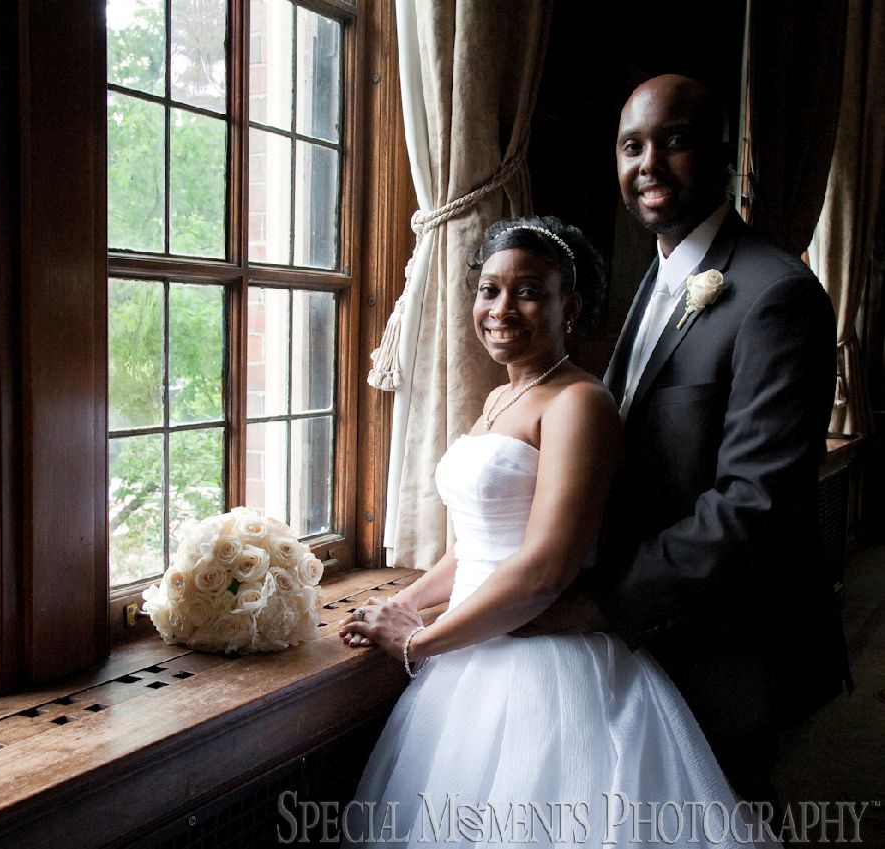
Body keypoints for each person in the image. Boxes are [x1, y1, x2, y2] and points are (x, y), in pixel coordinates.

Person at [339, 216, 773, 848]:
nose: (501, 308)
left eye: (528, 291)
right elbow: (474, 547)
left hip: (540, 657)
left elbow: (546, 566)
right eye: (488, 290)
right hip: (474, 644)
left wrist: (421, 643)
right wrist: (404, 603)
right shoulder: (496, 401)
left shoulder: (579, 403)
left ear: (569, 307)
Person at [594, 74, 852, 808]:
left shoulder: (777, 293)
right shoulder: (654, 279)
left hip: (731, 645)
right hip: (655, 635)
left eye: (673, 142)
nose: (648, 164)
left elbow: (753, 503)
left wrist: (607, 601)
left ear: (721, 152)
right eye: (630, 146)